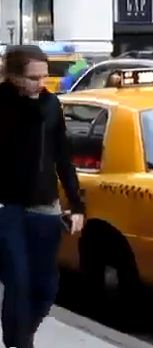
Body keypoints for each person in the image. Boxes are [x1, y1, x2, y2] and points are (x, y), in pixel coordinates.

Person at [0, 45, 85, 348]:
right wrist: (26, 105)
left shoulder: (51, 105)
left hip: (44, 206)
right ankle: (20, 343)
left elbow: (63, 156)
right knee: (18, 281)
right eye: (33, 78)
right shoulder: (4, 105)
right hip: (6, 208)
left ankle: (18, 335)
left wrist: (76, 205)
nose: (41, 83)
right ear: (12, 77)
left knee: (46, 287)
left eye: (45, 77)